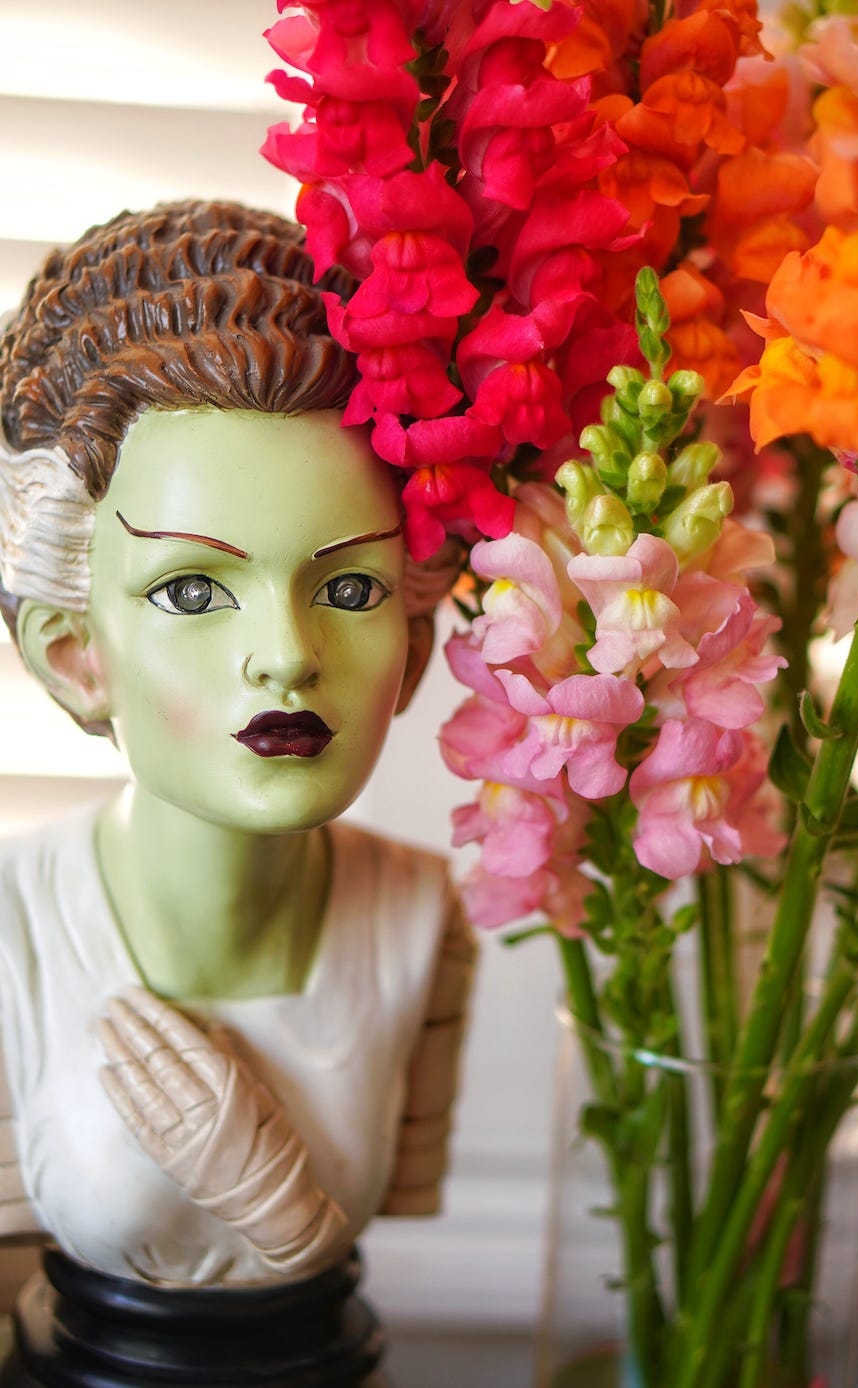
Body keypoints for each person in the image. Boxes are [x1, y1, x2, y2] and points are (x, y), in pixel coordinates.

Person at [0, 200, 476, 1292]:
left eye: (347, 589)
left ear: (410, 645)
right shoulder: (11, 932)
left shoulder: (421, 921)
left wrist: (284, 1214)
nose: (288, 656)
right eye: (192, 590)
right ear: (75, 652)